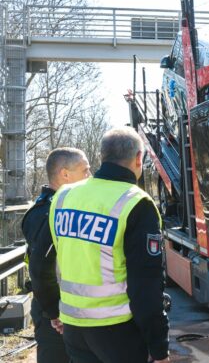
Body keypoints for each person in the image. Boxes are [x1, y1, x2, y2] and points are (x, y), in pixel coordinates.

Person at [49, 127, 170, 363]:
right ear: (137, 158)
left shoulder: (63, 197)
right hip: (117, 330)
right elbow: (146, 284)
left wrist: (57, 310)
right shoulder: (136, 203)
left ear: (102, 156)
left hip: (73, 326)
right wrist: (159, 348)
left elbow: (57, 258)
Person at [22, 147, 91, 363]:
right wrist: (54, 312)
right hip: (55, 314)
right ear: (65, 174)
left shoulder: (70, 206)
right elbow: (41, 269)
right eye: (85, 170)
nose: (90, 176)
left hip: (73, 311)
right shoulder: (44, 213)